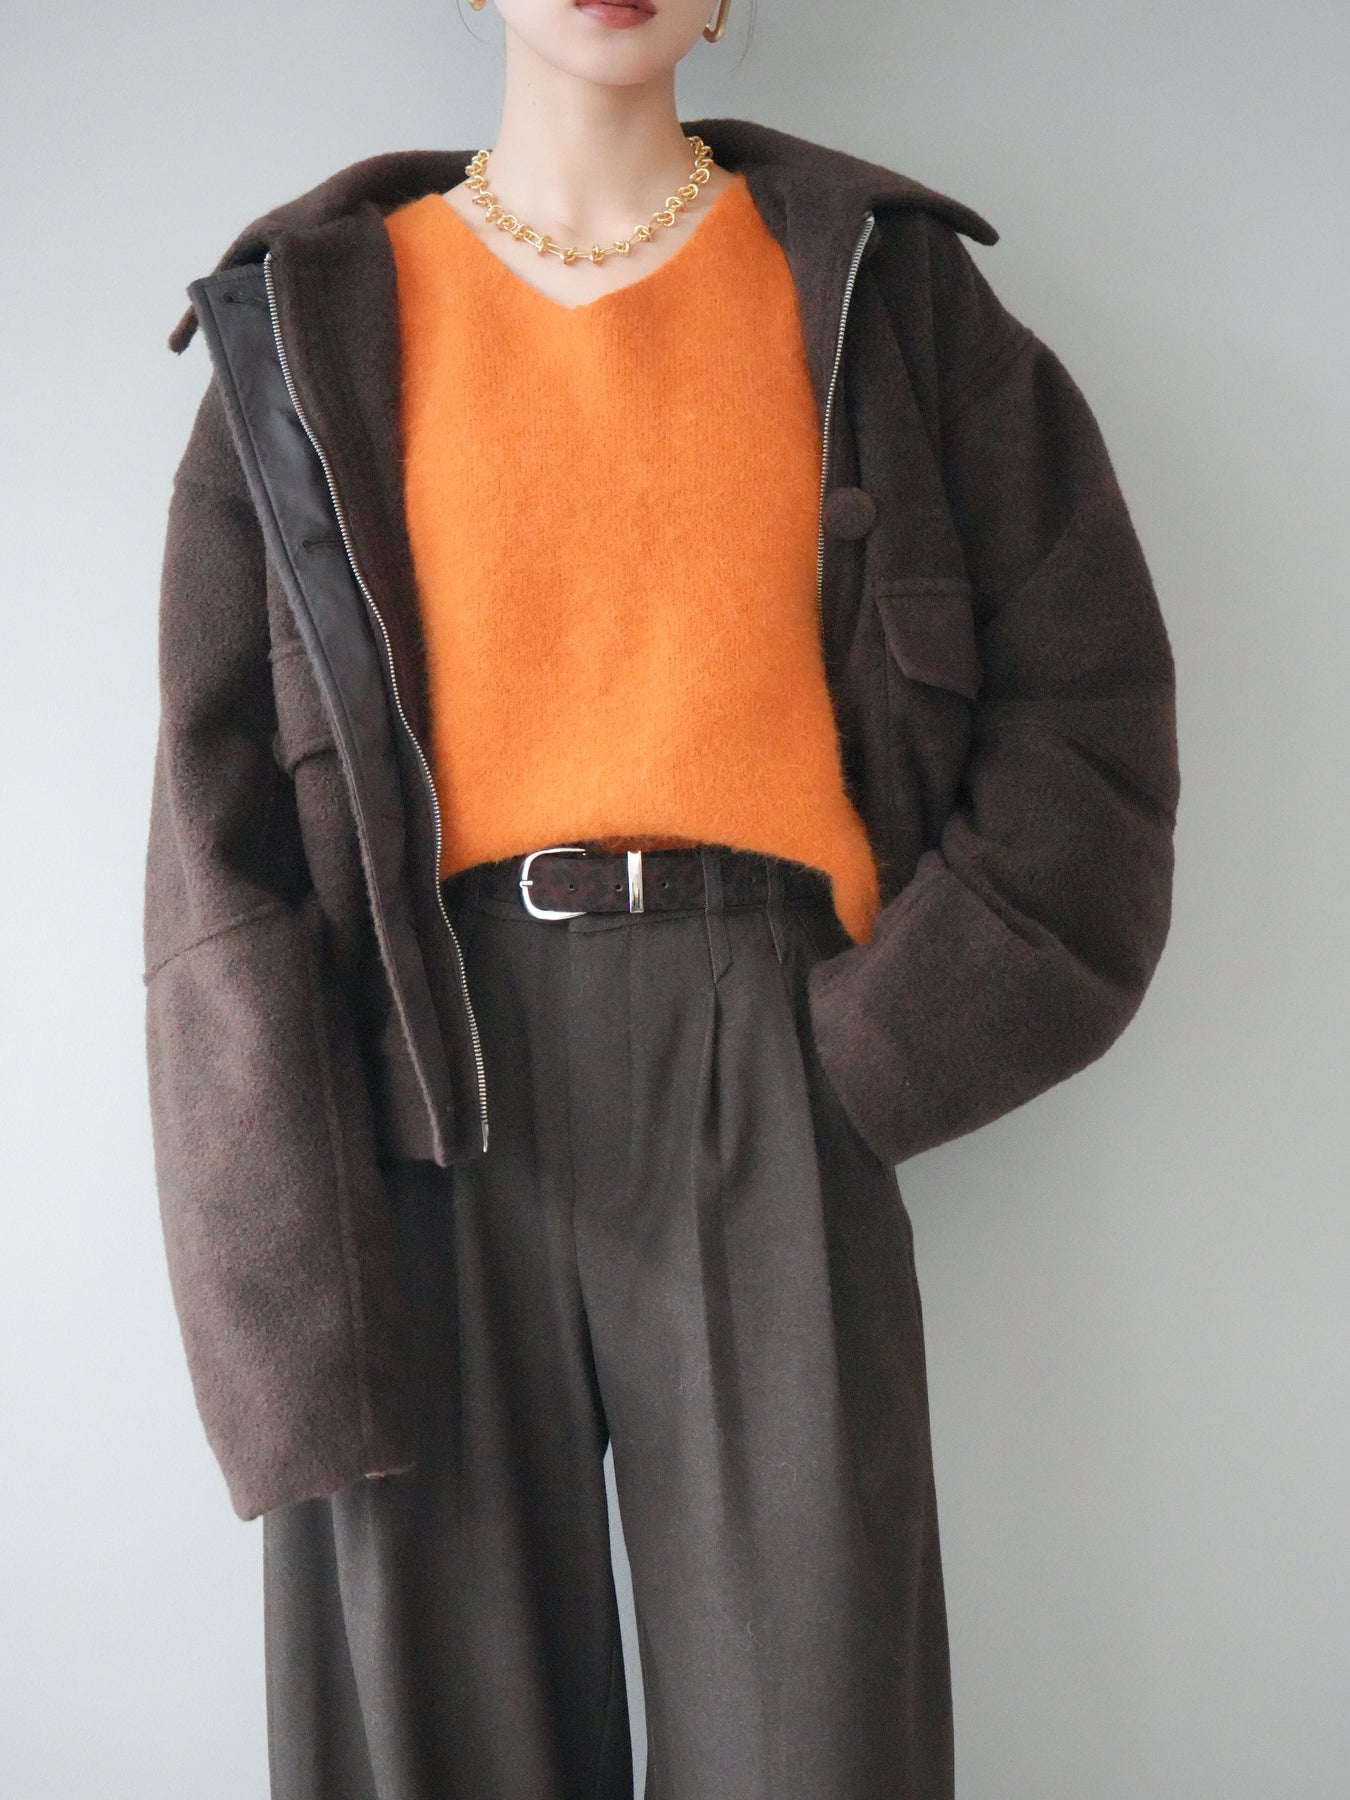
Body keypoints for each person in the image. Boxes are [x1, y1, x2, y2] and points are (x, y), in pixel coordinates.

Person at [143, 0, 1180, 1793]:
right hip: (412, 1082)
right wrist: (271, 1261)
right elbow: (209, 829)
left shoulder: (887, 296)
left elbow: (1088, 725)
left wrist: (874, 1059)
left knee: (813, 1738)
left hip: (773, 1056)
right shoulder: (309, 322)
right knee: (432, 1742)